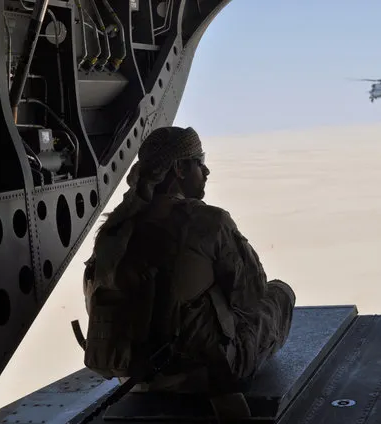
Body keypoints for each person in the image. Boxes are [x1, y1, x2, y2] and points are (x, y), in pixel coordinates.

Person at [81, 126, 295, 404]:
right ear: (180, 169)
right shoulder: (210, 221)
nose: (206, 172)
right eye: (200, 162)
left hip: (135, 376)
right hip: (200, 375)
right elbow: (251, 295)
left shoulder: (114, 229)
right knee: (280, 293)